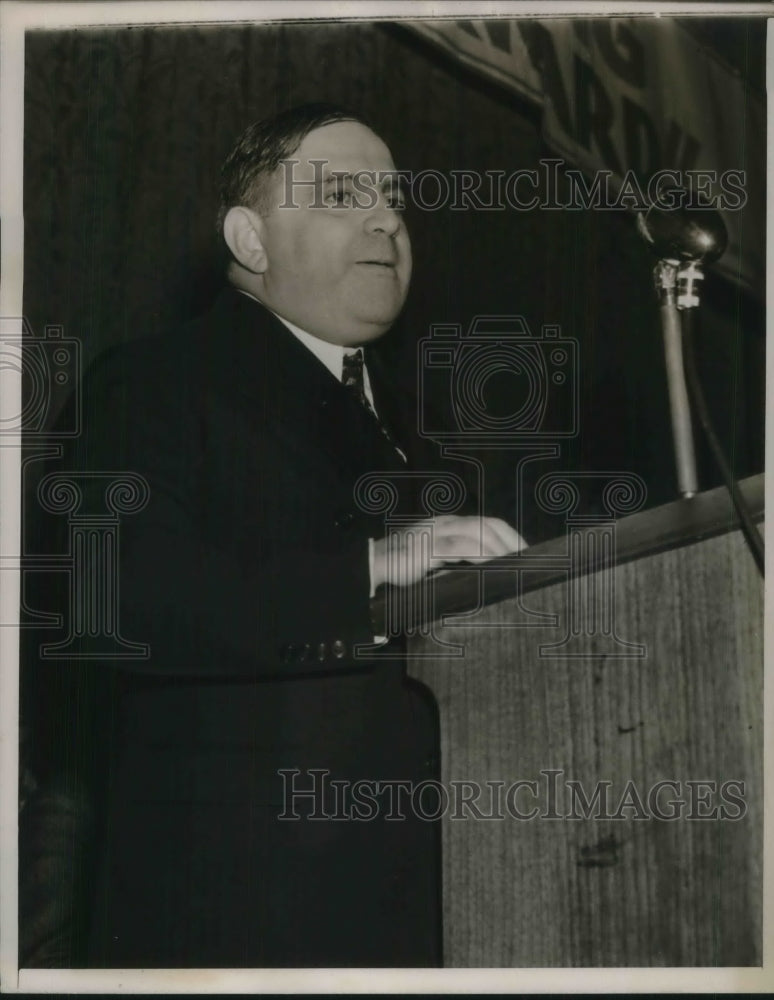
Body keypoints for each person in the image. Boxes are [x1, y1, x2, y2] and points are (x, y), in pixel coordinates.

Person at [23, 103, 524, 968]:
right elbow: (111, 596)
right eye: (342, 195)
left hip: (438, 914)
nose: (386, 219)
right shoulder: (155, 383)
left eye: (395, 199)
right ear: (250, 241)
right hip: (242, 927)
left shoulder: (421, 432)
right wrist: (366, 567)